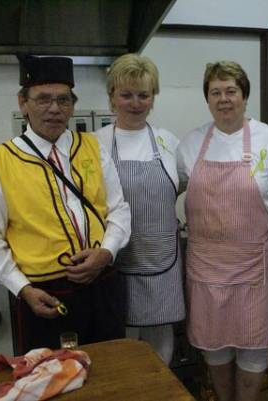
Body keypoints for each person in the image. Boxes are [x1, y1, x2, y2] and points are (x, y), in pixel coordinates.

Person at [0, 54, 132, 353]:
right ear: (23, 103)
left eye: (63, 100)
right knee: (51, 373)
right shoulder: (0, 162)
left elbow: (118, 209)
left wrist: (107, 252)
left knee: (111, 366)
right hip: (44, 295)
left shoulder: (92, 148)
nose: (54, 109)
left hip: (102, 282)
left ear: (72, 104)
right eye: (43, 99)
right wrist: (22, 289)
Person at [177, 61, 268, 401]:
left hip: (253, 267)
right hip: (206, 267)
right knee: (214, 347)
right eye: (215, 92)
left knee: (253, 346)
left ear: (245, 96)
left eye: (231, 91)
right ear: (207, 99)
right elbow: (169, 190)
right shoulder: (191, 144)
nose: (224, 99)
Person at [95, 53, 185, 364]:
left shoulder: (168, 142)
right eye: (126, 95)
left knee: (161, 337)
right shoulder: (95, 144)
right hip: (116, 258)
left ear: (153, 98)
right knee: (123, 341)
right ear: (112, 96)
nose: (135, 103)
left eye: (143, 95)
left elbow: (182, 184)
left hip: (162, 256)